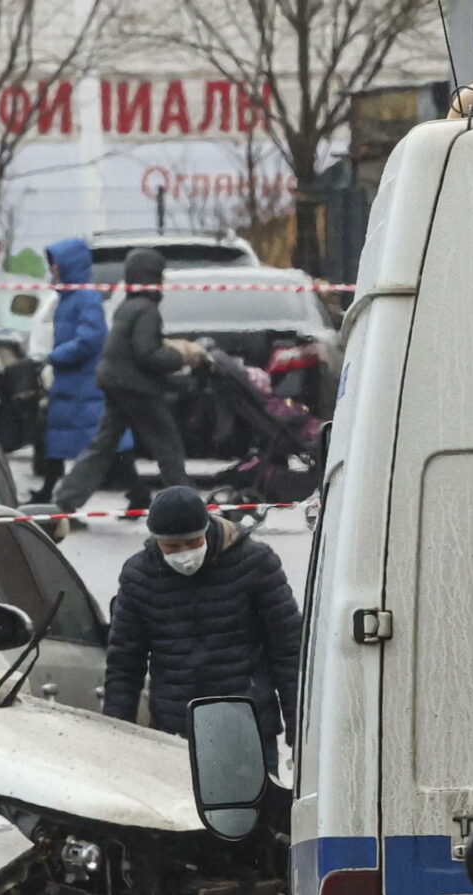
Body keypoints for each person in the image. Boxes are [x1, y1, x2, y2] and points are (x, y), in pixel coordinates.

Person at [102, 487, 301, 749]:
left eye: (193, 542)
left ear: (206, 531)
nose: (184, 553)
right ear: (157, 539)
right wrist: (116, 738)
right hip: (175, 732)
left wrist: (300, 733)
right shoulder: (139, 576)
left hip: (247, 729)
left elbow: (289, 649)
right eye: (172, 546)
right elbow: (124, 664)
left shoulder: (255, 563)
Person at [53, 247, 203, 513]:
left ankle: (65, 501)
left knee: (102, 446)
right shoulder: (147, 309)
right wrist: (182, 357)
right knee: (168, 445)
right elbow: (147, 354)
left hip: (115, 381)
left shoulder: (127, 305)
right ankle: (187, 506)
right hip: (135, 387)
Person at [37, 238, 108, 503]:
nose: (53, 269)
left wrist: (56, 357)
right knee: (62, 436)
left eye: (56, 264)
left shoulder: (85, 297)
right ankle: (46, 490)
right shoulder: (69, 298)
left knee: (96, 440)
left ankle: (49, 491)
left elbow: (90, 338)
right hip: (72, 380)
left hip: (83, 381)